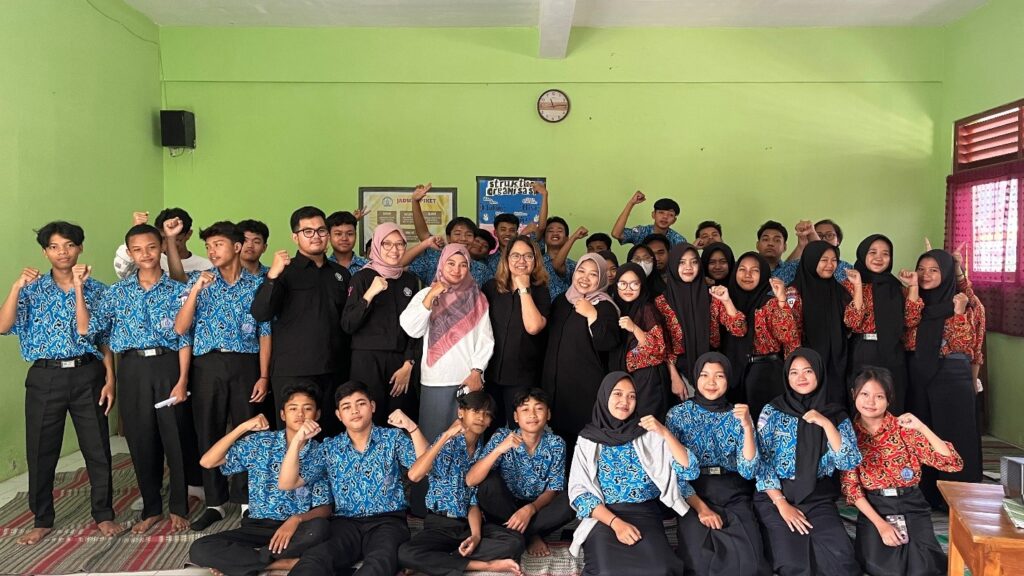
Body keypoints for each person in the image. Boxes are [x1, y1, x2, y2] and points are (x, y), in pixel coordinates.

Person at [0, 222, 120, 545]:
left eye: (69, 245)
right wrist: (15, 287)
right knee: (41, 449)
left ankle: (103, 514)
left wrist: (110, 379)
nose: (62, 252)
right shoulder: (30, 289)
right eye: (54, 247)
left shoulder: (97, 290)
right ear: (45, 252)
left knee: (97, 447)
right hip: (45, 376)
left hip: (87, 373)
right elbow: (3, 326)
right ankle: (42, 519)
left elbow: (104, 339)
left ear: (80, 248)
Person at [77, 222, 193, 534]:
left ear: (162, 248)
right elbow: (88, 330)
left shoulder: (178, 290)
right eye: (138, 249)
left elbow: (185, 338)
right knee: (141, 439)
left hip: (168, 365)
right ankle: (151, 508)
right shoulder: (116, 293)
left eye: (152, 247)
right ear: (129, 253)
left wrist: (183, 380)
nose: (146, 254)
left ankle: (178, 507)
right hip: (132, 368)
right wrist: (78, 288)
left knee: (176, 437)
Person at [174, 221, 272, 531]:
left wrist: (264, 376)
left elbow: (265, 332)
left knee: (247, 431)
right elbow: (180, 328)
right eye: (208, 246)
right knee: (208, 430)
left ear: (237, 247)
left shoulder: (257, 284)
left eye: (218, 244)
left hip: (246, 364)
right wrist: (195, 292)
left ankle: (246, 501)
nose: (212, 251)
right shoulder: (198, 281)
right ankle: (214, 502)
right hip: (208, 365)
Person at [278, 381, 428, 576]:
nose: (355, 411)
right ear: (339, 415)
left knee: (380, 561)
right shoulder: (330, 447)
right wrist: (298, 440)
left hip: (388, 521)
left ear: (372, 406)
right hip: (345, 522)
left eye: (361, 403)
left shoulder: (392, 438)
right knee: (316, 558)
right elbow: (287, 483)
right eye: (346, 407)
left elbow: (425, 468)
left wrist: (413, 428)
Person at [188, 384, 333, 576]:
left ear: (317, 414)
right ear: (282, 415)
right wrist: (242, 427)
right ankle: (280, 563)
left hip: (295, 529)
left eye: (307, 408)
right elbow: (207, 461)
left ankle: (243, 561)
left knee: (320, 529)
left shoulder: (321, 452)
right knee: (199, 548)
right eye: (293, 408)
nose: (300, 414)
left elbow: (325, 508)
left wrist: (296, 520)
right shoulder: (261, 443)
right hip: (256, 526)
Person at [567, 372, 697, 575]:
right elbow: (579, 493)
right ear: (605, 396)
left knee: (661, 570)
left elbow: (689, 470)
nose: (625, 402)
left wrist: (665, 433)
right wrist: (616, 524)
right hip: (604, 518)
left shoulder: (648, 433)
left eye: (631, 396)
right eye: (618, 394)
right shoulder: (588, 440)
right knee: (608, 571)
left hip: (646, 514)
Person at [840, 367, 963, 576]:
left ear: (889, 399)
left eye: (879, 396)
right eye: (865, 394)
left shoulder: (904, 428)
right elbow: (851, 489)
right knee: (884, 569)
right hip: (875, 506)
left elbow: (952, 463)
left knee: (924, 567)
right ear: (854, 394)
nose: (871, 402)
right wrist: (881, 526)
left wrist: (922, 427)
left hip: (911, 503)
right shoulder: (848, 435)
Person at [753, 348, 862, 576]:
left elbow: (847, 461)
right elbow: (761, 462)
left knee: (841, 562)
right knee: (792, 564)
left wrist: (826, 424)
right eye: (794, 372)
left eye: (808, 371)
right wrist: (782, 504)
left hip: (816, 496)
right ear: (786, 377)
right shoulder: (772, 412)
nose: (801, 377)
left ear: (819, 373)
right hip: (776, 495)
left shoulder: (835, 414)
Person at [250, 206, 351, 437]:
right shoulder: (283, 273)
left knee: (331, 435)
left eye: (321, 230)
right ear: (295, 237)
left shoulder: (340, 274)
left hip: (334, 369)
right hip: (293, 370)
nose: (316, 236)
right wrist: (272, 276)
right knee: (294, 438)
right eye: (308, 231)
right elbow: (261, 313)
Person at [399, 392, 525, 575]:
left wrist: (476, 536)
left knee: (516, 542)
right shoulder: (447, 443)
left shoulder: (482, 453)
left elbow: (473, 503)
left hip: (467, 525)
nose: (481, 418)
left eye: (487, 414)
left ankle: (439, 559)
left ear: (490, 422)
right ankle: (484, 565)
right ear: (461, 412)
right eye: (476, 411)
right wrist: (445, 436)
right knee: (405, 553)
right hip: (440, 524)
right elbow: (415, 475)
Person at [666, 352, 769, 576]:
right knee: (700, 563)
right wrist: (702, 509)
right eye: (704, 375)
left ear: (728, 379)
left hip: (733, 491)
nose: (711, 382)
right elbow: (675, 473)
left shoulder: (739, 413)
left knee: (750, 562)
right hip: (693, 493)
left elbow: (749, 470)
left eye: (719, 376)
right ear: (696, 378)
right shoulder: (677, 415)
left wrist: (747, 427)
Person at [905, 249, 984, 509]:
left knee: (954, 433)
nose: (925, 275)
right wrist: (913, 290)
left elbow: (968, 345)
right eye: (921, 268)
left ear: (947, 273)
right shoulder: (912, 298)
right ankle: (926, 493)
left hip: (951, 373)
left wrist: (959, 312)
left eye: (934, 270)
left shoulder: (963, 302)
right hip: (918, 371)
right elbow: (907, 324)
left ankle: (956, 498)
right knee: (923, 432)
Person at [400, 244, 494, 443]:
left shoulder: (478, 298)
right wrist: (431, 296)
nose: (456, 269)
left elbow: (485, 339)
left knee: (468, 439)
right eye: (451, 263)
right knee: (434, 440)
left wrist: (477, 372)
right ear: (441, 264)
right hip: (435, 379)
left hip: (468, 380)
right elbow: (411, 329)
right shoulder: (426, 294)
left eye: (463, 265)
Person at [467, 389, 575, 558]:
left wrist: (530, 509)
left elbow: (553, 489)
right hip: (504, 505)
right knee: (488, 484)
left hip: (537, 508)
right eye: (525, 409)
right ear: (516, 417)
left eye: (539, 408)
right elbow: (471, 480)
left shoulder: (556, 444)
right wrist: (499, 449)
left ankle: (519, 532)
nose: (532, 414)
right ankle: (531, 535)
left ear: (548, 414)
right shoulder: (502, 436)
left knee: (571, 500)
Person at [542, 253, 621, 456]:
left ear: (602, 278)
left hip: (585, 391)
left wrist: (592, 314)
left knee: (583, 444)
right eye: (581, 271)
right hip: (557, 388)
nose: (585, 278)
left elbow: (608, 343)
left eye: (593, 274)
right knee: (560, 442)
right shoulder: (562, 300)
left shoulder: (604, 305)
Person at [341, 223, 421, 425]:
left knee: (400, 418)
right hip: (367, 360)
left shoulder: (409, 281)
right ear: (377, 245)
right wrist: (370, 294)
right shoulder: (362, 278)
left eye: (400, 244)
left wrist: (408, 363)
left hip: (399, 362)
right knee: (368, 418)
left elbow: (416, 326)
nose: (394, 250)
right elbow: (348, 324)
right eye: (387, 244)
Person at [844, 235, 922, 414]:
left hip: (892, 351)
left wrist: (913, 287)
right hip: (862, 350)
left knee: (891, 400)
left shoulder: (896, 287)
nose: (879, 258)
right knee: (862, 401)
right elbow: (853, 323)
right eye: (873, 252)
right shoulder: (849, 285)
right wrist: (858, 287)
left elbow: (911, 320)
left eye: (885, 254)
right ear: (863, 254)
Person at [481, 236, 550, 428]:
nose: (522, 260)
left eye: (528, 256)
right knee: (490, 429)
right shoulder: (491, 288)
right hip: (490, 373)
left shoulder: (541, 291)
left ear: (535, 260)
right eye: (516, 255)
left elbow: (533, 327)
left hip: (523, 377)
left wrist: (524, 289)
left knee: (519, 430)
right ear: (506, 259)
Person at [723, 252, 800, 418]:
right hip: (734, 371)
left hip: (766, 373)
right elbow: (736, 330)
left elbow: (787, 336)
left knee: (765, 422)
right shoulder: (725, 299)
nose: (747, 275)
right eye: (742, 269)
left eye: (754, 270)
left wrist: (781, 300)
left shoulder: (770, 303)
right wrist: (727, 302)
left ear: (764, 274)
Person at [661, 243, 746, 384]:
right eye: (682, 262)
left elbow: (739, 330)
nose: (688, 267)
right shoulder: (662, 302)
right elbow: (661, 345)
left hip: (711, 369)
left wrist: (727, 301)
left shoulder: (712, 296)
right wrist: (674, 376)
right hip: (678, 374)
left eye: (694, 262)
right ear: (673, 265)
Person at [786, 240, 858, 406]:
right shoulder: (793, 292)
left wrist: (858, 286)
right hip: (807, 363)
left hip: (837, 362)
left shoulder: (839, 290)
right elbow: (791, 331)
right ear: (811, 260)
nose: (830, 265)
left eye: (834, 260)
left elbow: (852, 323)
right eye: (824, 260)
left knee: (836, 403)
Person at [610, 262, 670, 419]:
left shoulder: (647, 309)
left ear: (642, 285)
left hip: (648, 379)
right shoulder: (614, 308)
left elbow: (658, 348)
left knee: (646, 424)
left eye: (634, 284)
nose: (628, 288)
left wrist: (634, 328)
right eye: (622, 283)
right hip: (624, 378)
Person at [408, 183, 491, 286]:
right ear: (448, 238)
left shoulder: (481, 269)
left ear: (474, 239)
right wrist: (415, 202)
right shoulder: (434, 258)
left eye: (469, 235)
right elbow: (423, 234)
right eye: (457, 234)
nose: (463, 238)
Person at [113, 208, 212, 279]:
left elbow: (178, 283)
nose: (167, 244)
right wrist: (136, 230)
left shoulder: (207, 266)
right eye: (163, 238)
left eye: (175, 238)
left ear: (188, 234)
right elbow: (123, 273)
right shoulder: (150, 260)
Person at [775, 219, 854, 285]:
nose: (824, 239)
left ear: (838, 241)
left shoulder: (845, 268)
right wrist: (801, 246)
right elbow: (780, 278)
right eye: (818, 235)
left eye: (829, 235)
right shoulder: (798, 266)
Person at [611, 190, 687, 246]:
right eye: (661, 212)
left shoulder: (679, 241)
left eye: (670, 215)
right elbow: (616, 234)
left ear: (674, 220)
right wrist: (631, 203)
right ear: (653, 215)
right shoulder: (641, 232)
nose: (665, 217)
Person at [541, 216, 581, 300]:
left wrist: (574, 237)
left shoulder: (574, 265)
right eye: (550, 231)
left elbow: (558, 265)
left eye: (560, 231)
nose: (555, 233)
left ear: (567, 239)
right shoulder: (536, 263)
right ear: (544, 238)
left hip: (565, 306)